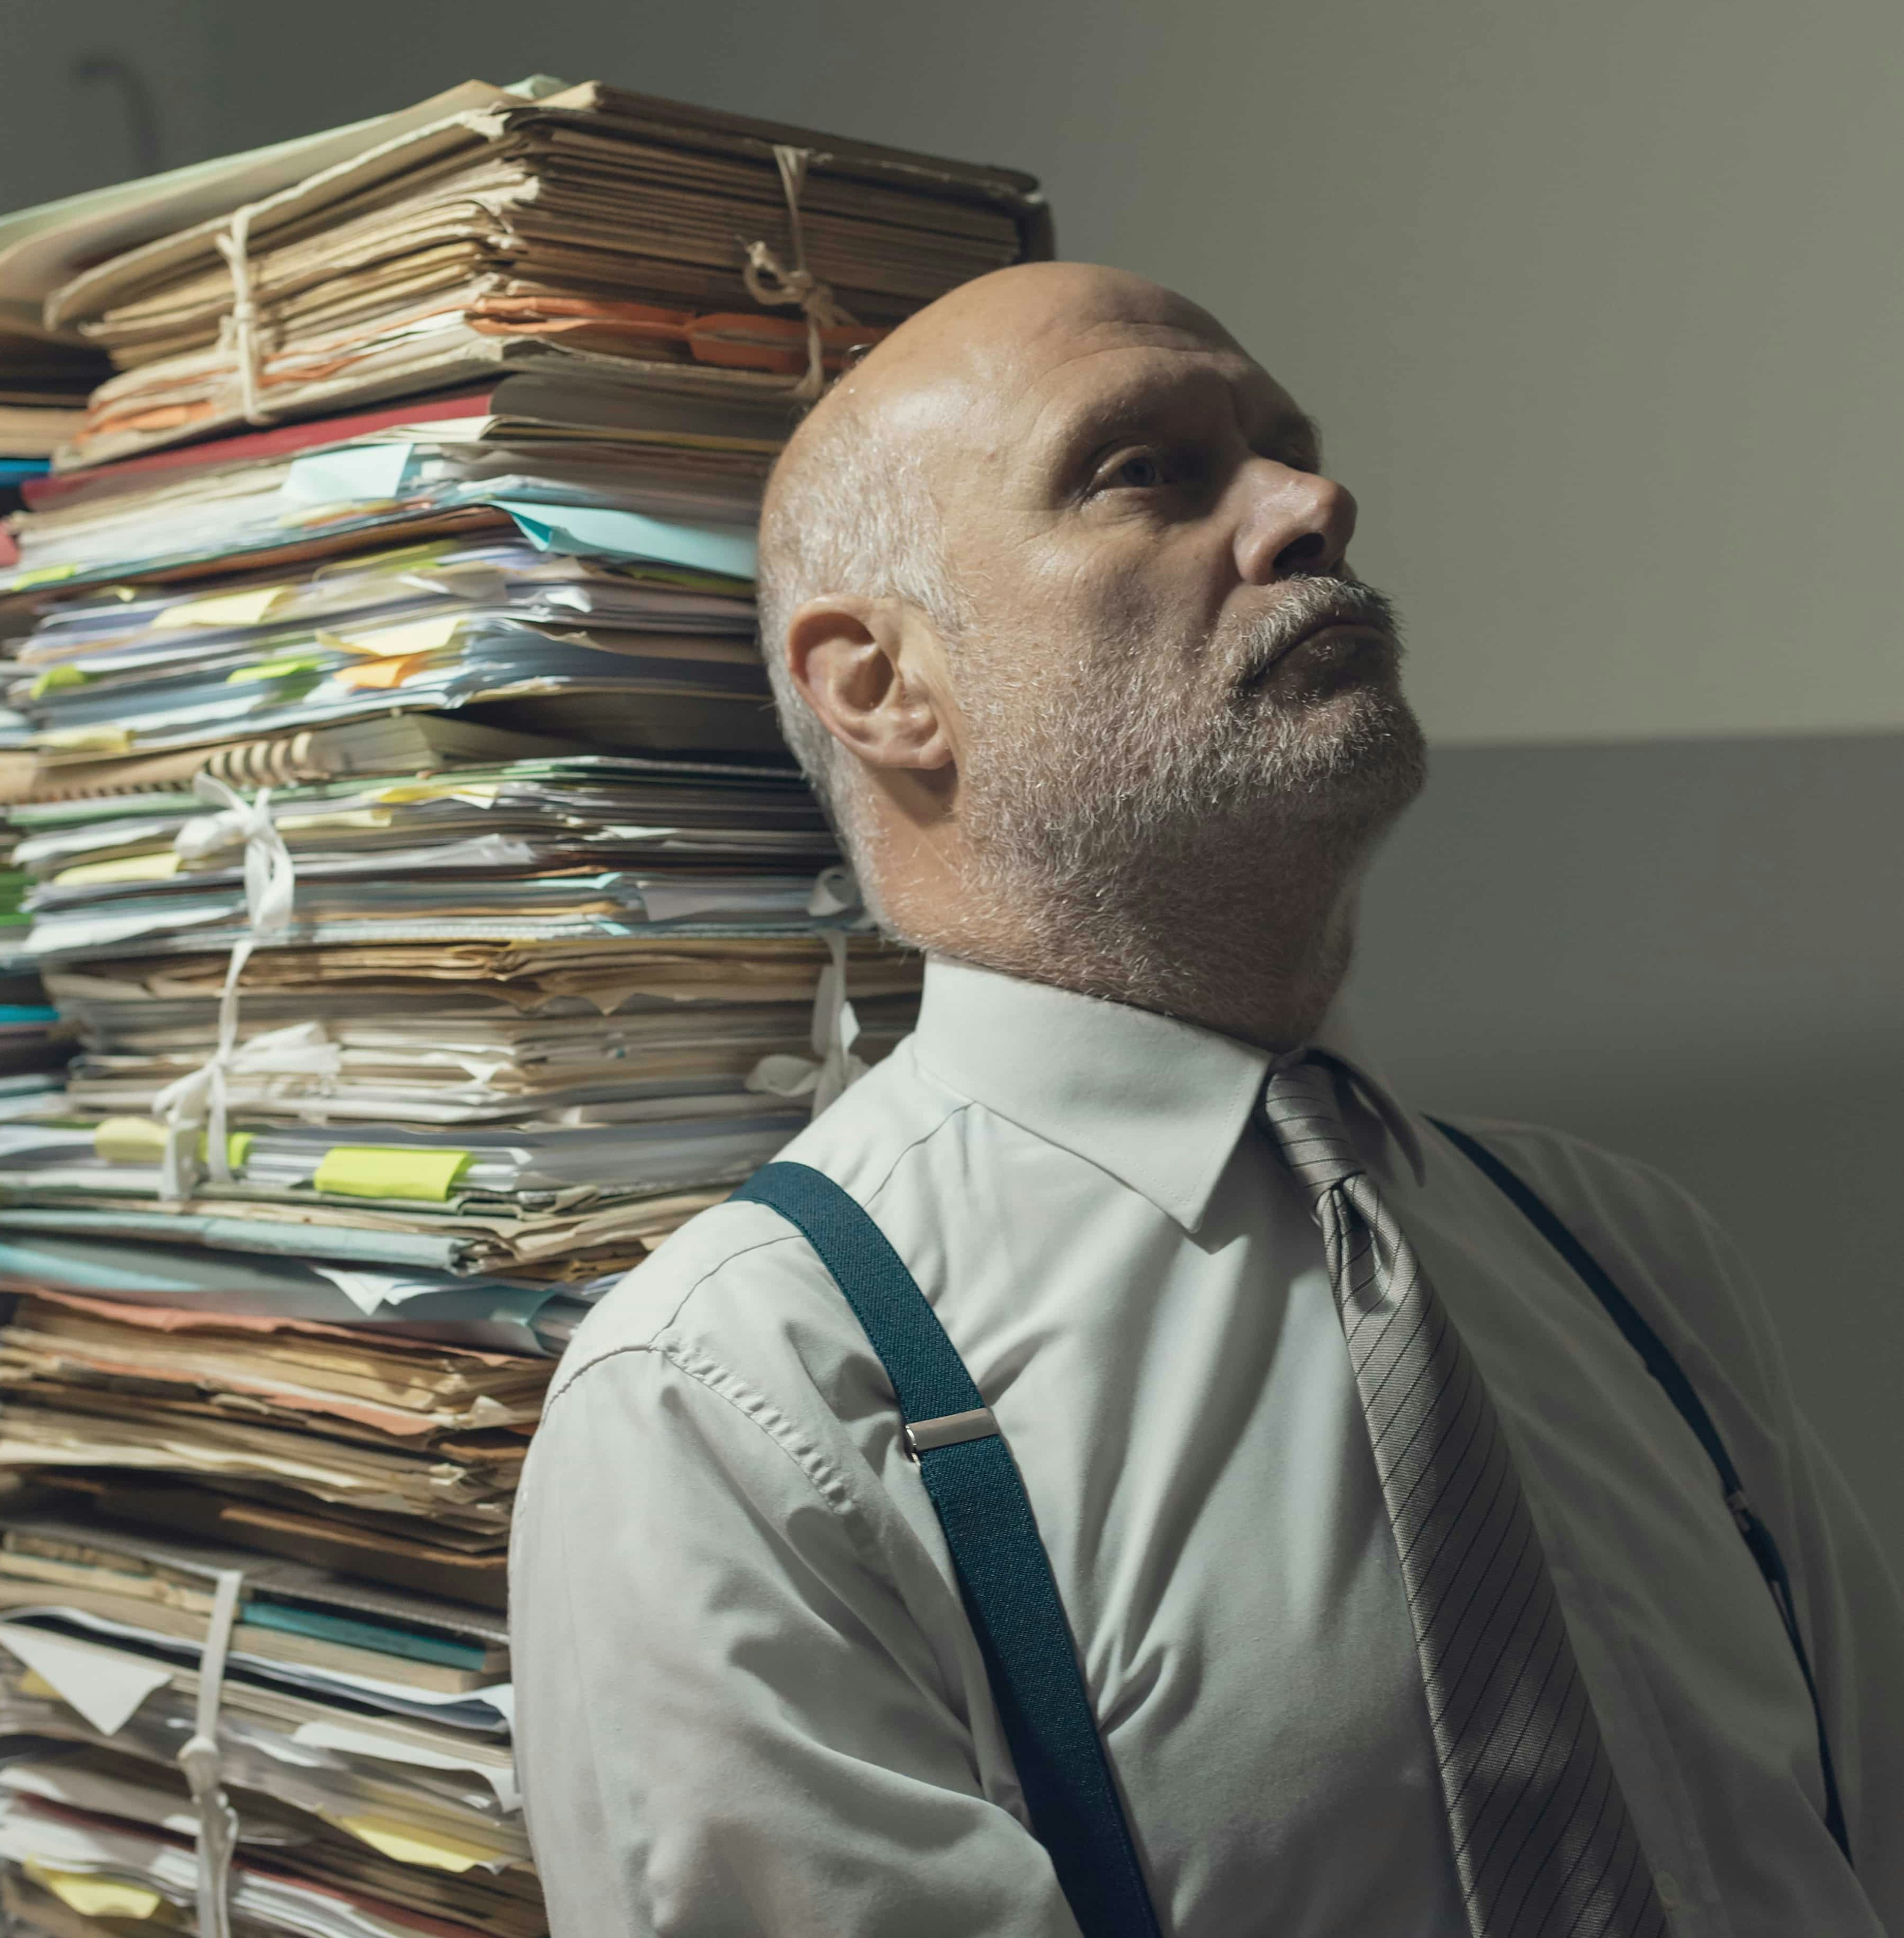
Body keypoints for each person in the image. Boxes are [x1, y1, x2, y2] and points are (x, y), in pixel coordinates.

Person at [511, 263, 1901, 1936]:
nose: (1316, 505)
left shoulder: (1625, 1253)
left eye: (1290, 450)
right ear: (883, 685)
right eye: (1145, 467)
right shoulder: (742, 1397)